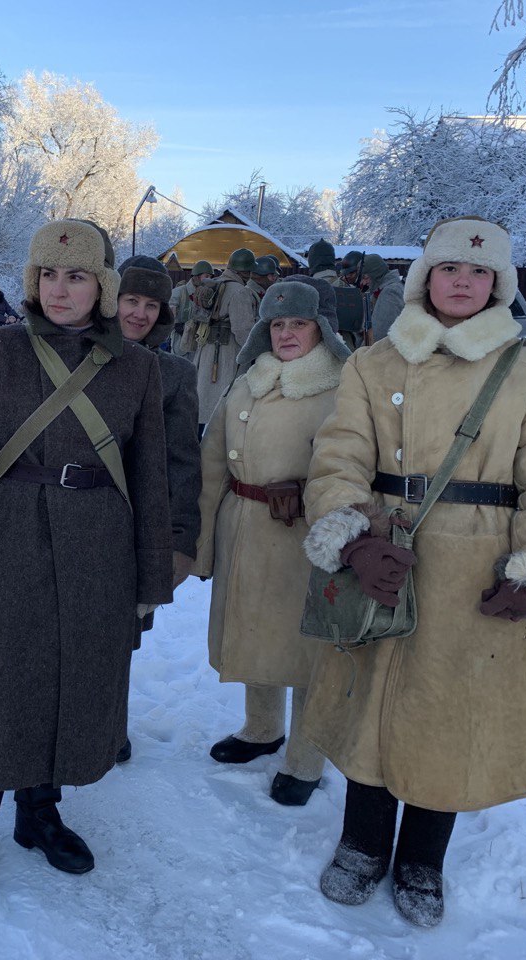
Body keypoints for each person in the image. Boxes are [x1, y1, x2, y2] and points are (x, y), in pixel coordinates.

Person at [299, 216, 526, 927]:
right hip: (387, 555)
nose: (462, 281)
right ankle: (362, 844)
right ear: (426, 277)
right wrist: (353, 538)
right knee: (372, 702)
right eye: (450, 269)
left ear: (498, 285)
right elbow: (338, 457)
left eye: (479, 272)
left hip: (480, 566)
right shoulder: (374, 364)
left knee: (451, 715)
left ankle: (423, 858)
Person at [0, 218, 174, 889]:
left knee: (74, 683)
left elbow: (150, 478)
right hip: (6, 539)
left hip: (101, 544)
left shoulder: (138, 368)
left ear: (103, 285)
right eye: (49, 275)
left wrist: (151, 576)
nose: (61, 290)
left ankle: (40, 816)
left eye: (78, 275)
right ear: (33, 281)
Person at [195, 276, 351, 806]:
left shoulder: (341, 387)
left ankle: (306, 759)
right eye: (277, 324)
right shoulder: (249, 379)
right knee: (253, 630)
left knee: (305, 646)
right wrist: (201, 538)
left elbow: (354, 466)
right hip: (241, 525)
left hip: (302, 535)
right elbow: (213, 457)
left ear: (322, 329)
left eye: (299, 323)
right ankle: (261, 728)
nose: (286, 334)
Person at [112, 255, 202, 762]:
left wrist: (180, 538)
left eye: (151, 305)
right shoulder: (74, 355)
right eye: (131, 300)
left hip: (135, 526)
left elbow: (182, 462)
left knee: (122, 632)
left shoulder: (174, 375)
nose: (140, 313)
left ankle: (109, 723)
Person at [177, 250, 258, 434]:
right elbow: (243, 331)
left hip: (206, 352)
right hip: (226, 357)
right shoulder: (240, 292)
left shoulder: (216, 284)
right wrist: (256, 354)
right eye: (250, 271)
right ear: (244, 271)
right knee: (222, 410)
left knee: (202, 405)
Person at [169, 260, 213, 357]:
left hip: (199, 347)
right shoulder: (179, 292)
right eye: (206, 276)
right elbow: (168, 317)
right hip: (180, 346)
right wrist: (177, 325)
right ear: (196, 276)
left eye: (210, 277)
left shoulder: (208, 296)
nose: (209, 279)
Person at [359, 253, 404, 340]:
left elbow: (379, 334)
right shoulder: (381, 291)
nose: (364, 283)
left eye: (366, 277)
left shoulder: (390, 292)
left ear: (376, 274)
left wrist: (362, 352)